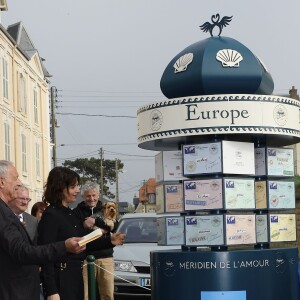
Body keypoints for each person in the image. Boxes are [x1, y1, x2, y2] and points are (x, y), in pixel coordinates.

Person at [0, 160, 85, 300]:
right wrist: (63, 246)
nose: (19, 183)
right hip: (14, 291)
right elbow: (21, 251)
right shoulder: (3, 213)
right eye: (15, 178)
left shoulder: (6, 211)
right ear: (1, 182)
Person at [38, 167, 125, 300]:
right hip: (61, 280)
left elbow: (83, 244)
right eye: (73, 187)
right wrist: (51, 290)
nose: (78, 191)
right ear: (61, 188)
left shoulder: (71, 214)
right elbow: (45, 255)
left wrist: (110, 241)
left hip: (76, 277)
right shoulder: (50, 215)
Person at [74, 182, 118, 300]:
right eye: (88, 196)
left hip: (106, 257)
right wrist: (103, 228)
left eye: (94, 195)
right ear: (83, 197)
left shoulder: (107, 208)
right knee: (86, 294)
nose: (91, 198)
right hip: (86, 258)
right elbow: (77, 233)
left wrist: (95, 222)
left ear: (98, 195)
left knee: (108, 293)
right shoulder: (77, 212)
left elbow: (115, 226)